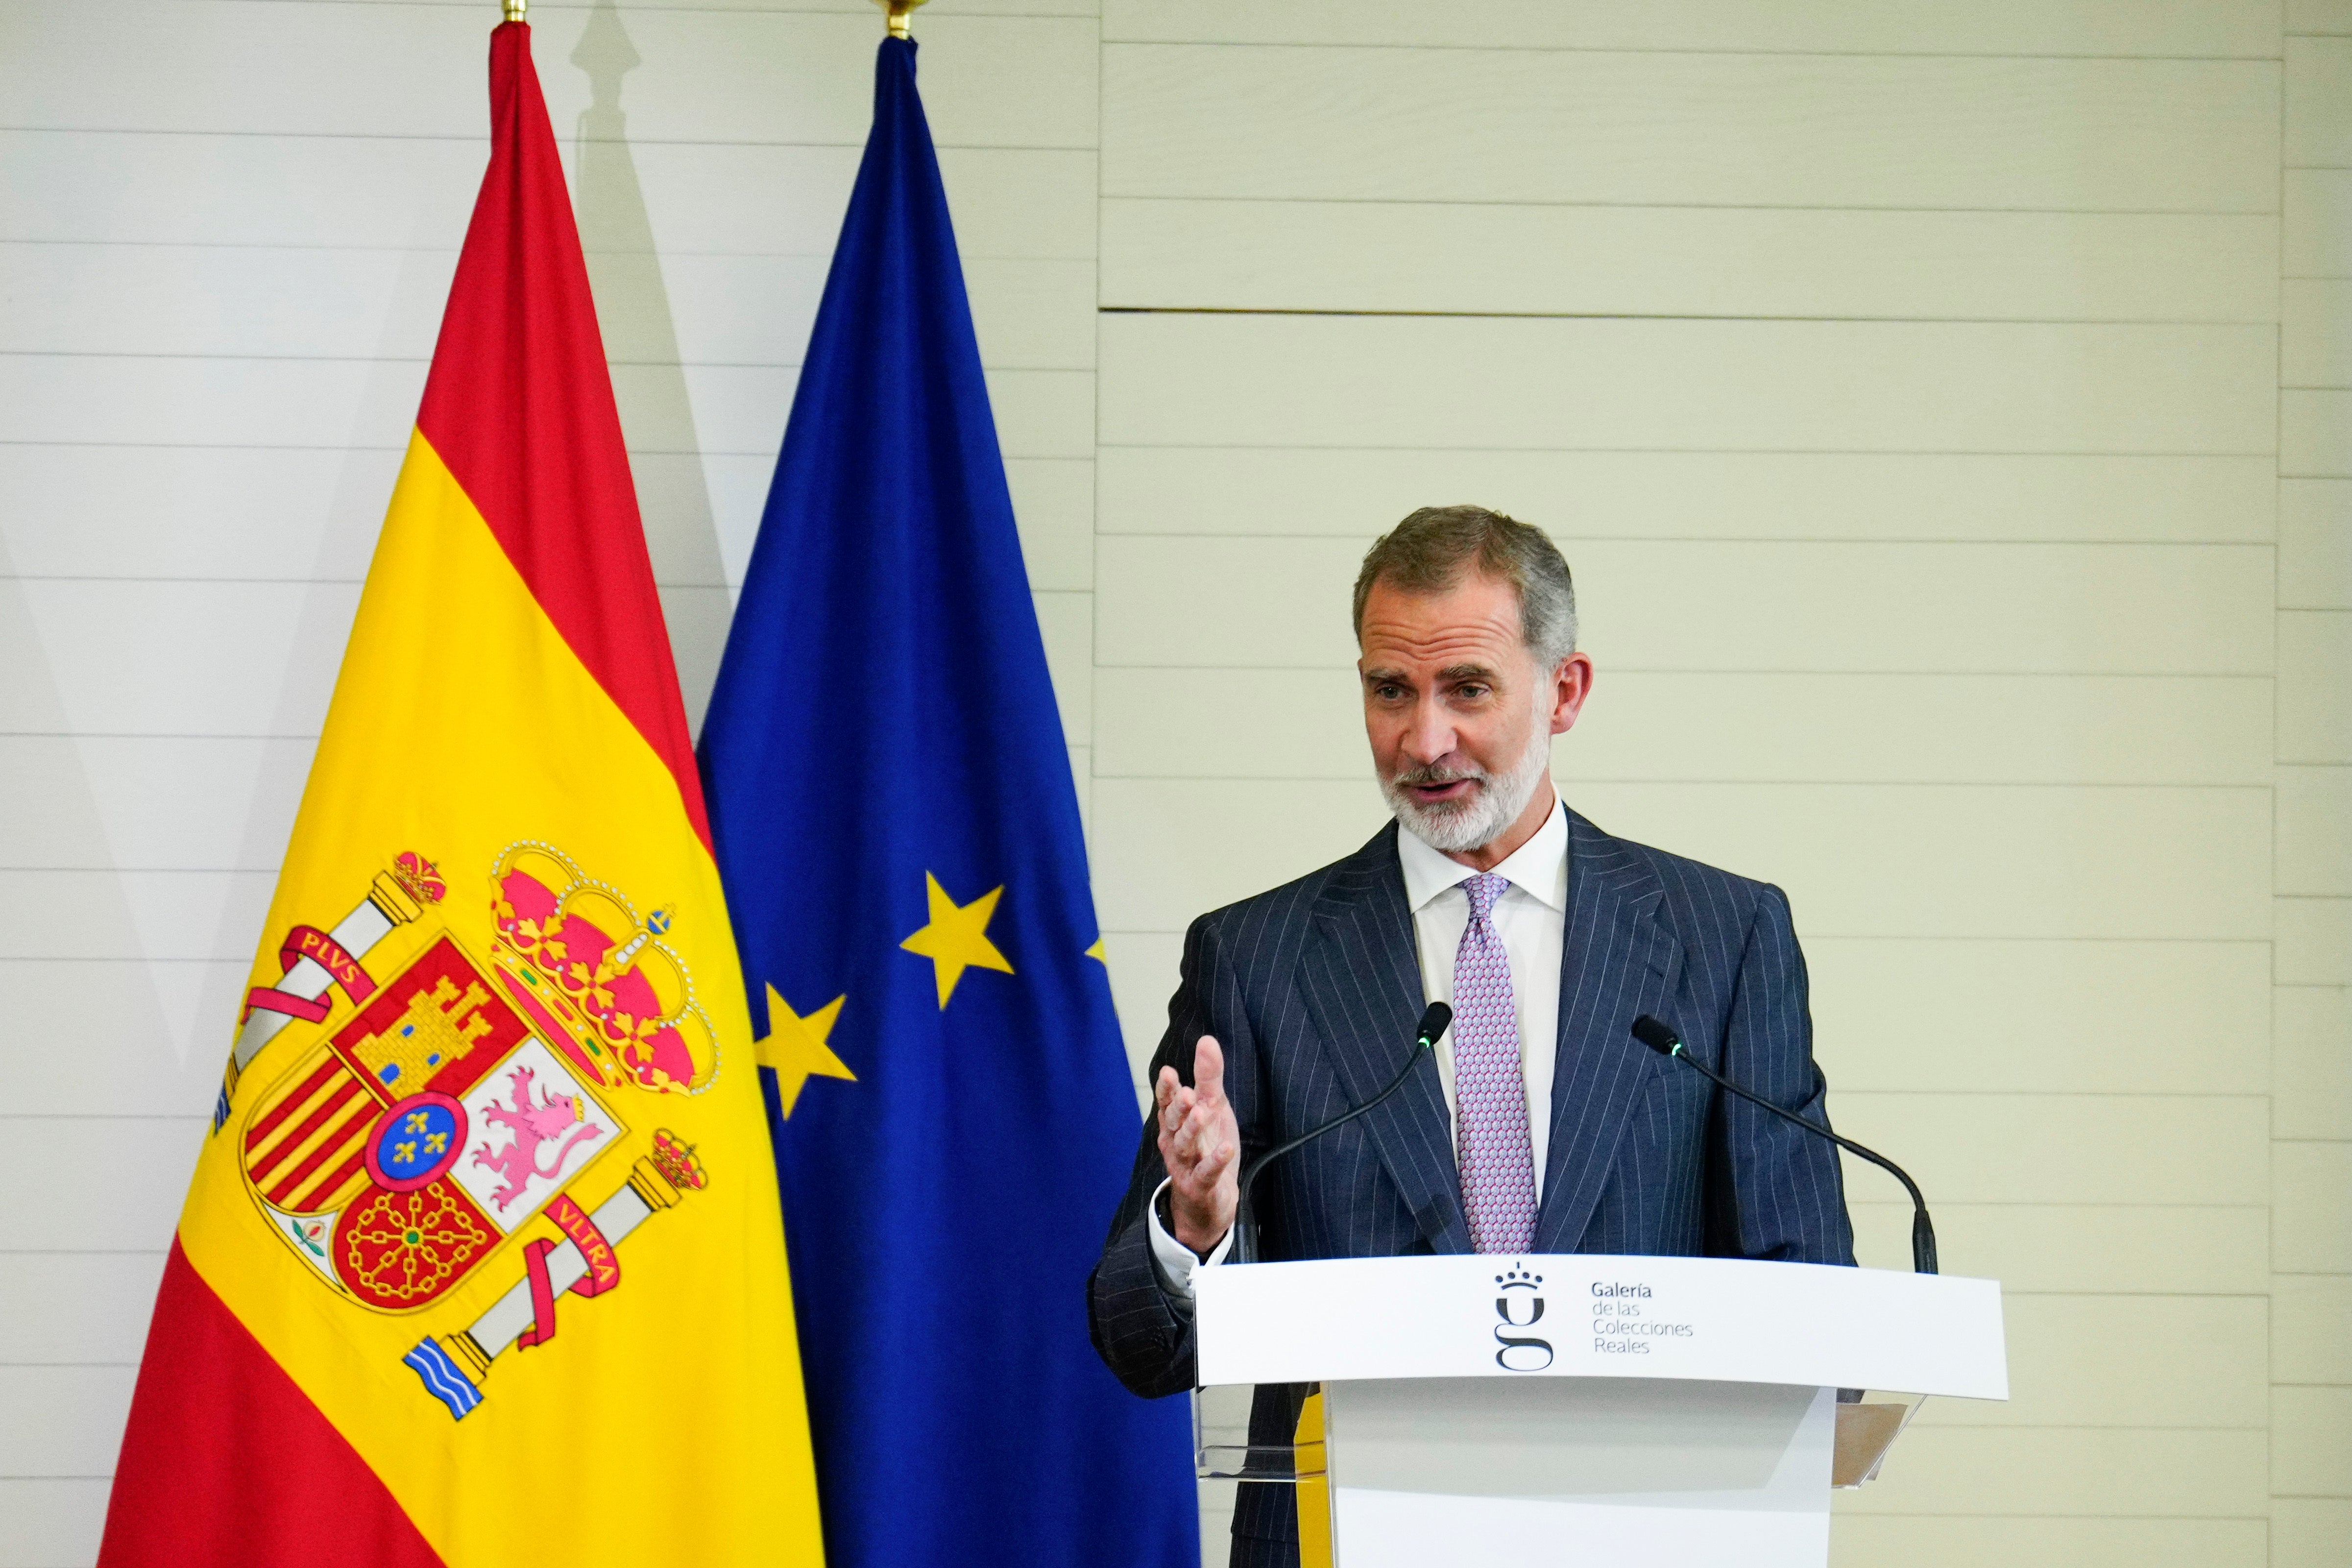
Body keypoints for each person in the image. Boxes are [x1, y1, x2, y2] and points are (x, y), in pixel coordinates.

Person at [1086, 505, 1856, 1568]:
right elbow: (1139, 1341)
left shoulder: (1721, 939)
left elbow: (1813, 1295)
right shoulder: (1255, 958)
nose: (1424, 740)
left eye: (1468, 689)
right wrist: (1199, 1223)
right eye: (1390, 690)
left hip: (1647, 1531)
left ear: (1565, 690)